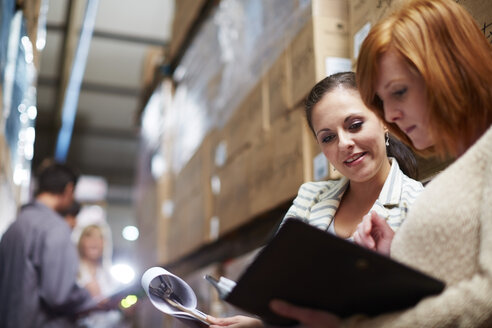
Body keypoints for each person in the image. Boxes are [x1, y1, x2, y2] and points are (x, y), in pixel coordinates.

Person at [261, 0, 492, 327]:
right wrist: (395, 260)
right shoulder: (464, 168)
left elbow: (484, 297)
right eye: (382, 101)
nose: (392, 113)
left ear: (448, 69)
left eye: (399, 92)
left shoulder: (442, 185)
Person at [207, 71, 424, 328]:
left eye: (355, 125)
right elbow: (276, 287)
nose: (344, 143)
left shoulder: (418, 203)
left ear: (383, 120)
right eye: (328, 137)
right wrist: (260, 326)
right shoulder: (309, 198)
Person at [0, 160, 98, 327]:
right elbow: (59, 295)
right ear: (68, 189)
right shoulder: (55, 228)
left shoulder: (14, 227)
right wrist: (90, 298)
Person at [75, 224, 127, 328]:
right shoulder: (73, 271)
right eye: (89, 237)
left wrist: (125, 307)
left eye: (99, 237)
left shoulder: (110, 274)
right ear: (81, 242)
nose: (95, 241)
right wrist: (86, 296)